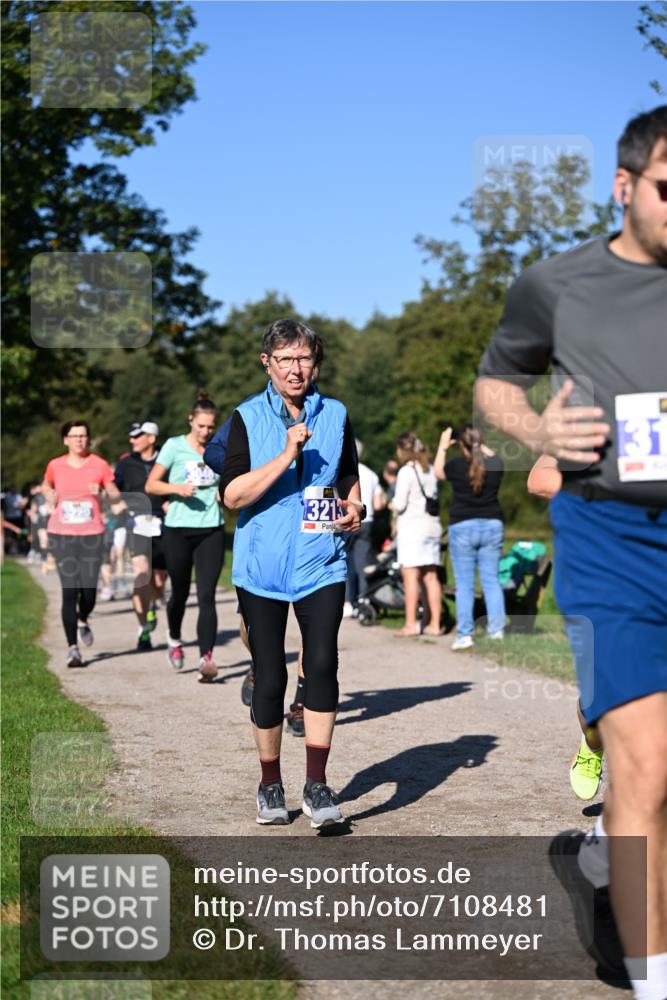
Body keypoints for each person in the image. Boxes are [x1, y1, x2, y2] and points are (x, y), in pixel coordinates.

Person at [475, 107, 667, 998]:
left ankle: (603, 859)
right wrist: (535, 427)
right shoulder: (557, 284)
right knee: (643, 760)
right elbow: (494, 382)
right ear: (624, 186)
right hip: (610, 533)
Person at [221, 318, 363, 827]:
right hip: (261, 567)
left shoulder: (337, 413)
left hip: (321, 560)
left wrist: (356, 504)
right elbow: (232, 495)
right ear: (268, 364)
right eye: (285, 360)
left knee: (322, 664)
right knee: (271, 675)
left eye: (303, 358)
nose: (295, 369)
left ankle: (318, 786)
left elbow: (347, 470)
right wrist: (286, 454)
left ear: (315, 363)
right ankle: (269, 784)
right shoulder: (245, 418)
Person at [527, 454, 604, 801]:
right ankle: (592, 745)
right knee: (598, 706)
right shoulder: (592, 414)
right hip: (605, 574)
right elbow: (539, 478)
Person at [146, 392, 224, 683]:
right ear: (191, 420)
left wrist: (223, 490)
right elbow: (151, 484)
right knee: (179, 592)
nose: (206, 432)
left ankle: (207, 658)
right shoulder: (174, 446)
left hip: (211, 529)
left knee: (207, 595)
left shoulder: (218, 449)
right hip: (178, 529)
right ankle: (175, 637)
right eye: (201, 426)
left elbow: (229, 476)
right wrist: (177, 488)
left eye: (210, 427)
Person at [42, 420, 120, 667]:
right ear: (65, 440)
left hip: (91, 533)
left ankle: (83, 618)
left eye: (83, 436)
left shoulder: (99, 464)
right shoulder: (55, 465)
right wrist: (48, 494)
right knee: (69, 590)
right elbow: (46, 484)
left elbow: (115, 493)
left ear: (88, 439)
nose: (79, 440)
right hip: (61, 533)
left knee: (88, 591)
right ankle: (72, 648)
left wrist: (102, 493)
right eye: (74, 436)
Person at [434, 423, 506, 650]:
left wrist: (443, 446)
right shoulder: (495, 464)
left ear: (461, 444)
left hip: (462, 526)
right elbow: (493, 456)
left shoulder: (456, 466)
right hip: (492, 524)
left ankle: (465, 635)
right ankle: (497, 632)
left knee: (464, 584)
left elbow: (437, 471)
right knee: (491, 581)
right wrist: (479, 442)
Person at [115, 421, 168, 651]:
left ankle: (152, 605)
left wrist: (171, 501)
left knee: (158, 581)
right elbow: (113, 487)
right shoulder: (126, 463)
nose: (132, 440)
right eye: (132, 436)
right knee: (141, 574)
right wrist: (117, 502)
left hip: (164, 523)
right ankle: (143, 630)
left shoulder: (166, 458)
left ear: (151, 438)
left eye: (138, 436)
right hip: (136, 522)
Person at [391, 432, 443, 637]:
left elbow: (400, 503)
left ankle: (411, 624)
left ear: (403, 450)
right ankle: (434, 624)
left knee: (410, 577)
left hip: (412, 529)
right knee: (431, 577)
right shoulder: (429, 470)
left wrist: (391, 505)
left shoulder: (406, 471)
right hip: (432, 527)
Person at [342, 440, 385, 618]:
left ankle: (347, 602)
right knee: (362, 564)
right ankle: (364, 600)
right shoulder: (372, 474)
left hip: (348, 518)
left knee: (345, 561)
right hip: (366, 521)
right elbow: (379, 503)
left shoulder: (344, 472)